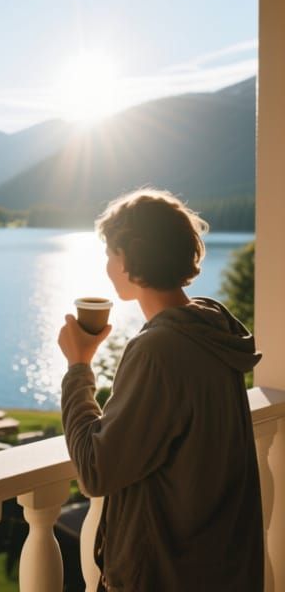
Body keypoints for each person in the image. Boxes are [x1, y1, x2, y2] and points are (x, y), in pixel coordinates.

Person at [58, 188, 264, 592]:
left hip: (165, 574)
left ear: (131, 259)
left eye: (110, 253)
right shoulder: (212, 331)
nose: (107, 265)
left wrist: (79, 367)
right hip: (218, 566)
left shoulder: (158, 351)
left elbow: (96, 470)